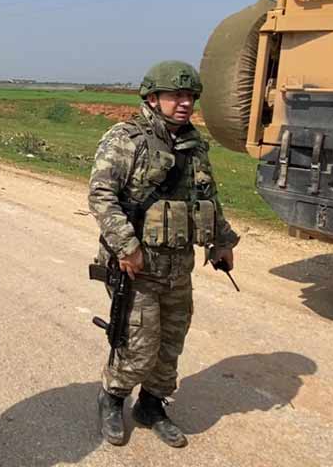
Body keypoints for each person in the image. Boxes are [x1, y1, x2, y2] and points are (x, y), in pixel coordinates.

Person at [88, 61, 239, 448]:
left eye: (190, 96)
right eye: (176, 95)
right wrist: (126, 245)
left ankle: (152, 405)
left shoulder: (194, 145)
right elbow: (101, 196)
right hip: (135, 266)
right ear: (152, 98)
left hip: (178, 267)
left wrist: (221, 242)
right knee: (138, 345)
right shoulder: (126, 139)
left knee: (171, 344)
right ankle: (113, 396)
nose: (185, 103)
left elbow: (206, 197)